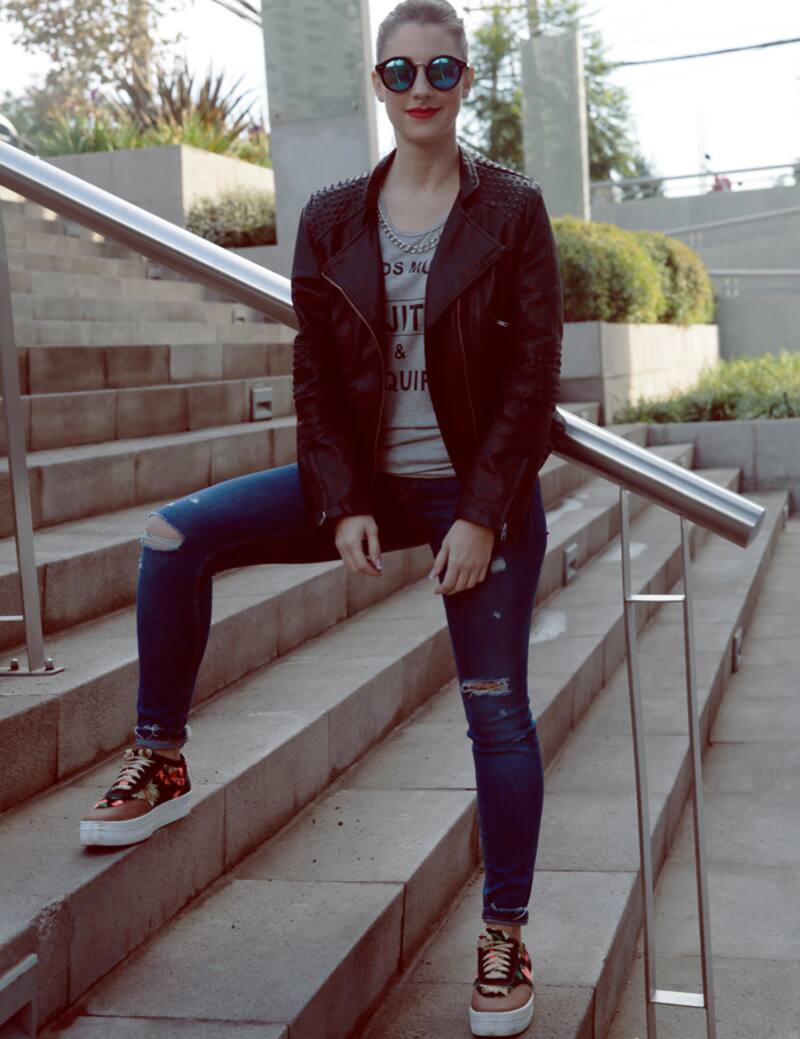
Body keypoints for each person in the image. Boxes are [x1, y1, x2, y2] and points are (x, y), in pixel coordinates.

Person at [79, 1, 564, 1034]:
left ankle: (504, 934)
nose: (421, 89)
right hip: (370, 486)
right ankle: (162, 752)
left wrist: (481, 514)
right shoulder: (334, 216)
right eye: (401, 71)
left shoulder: (511, 209)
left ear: (465, 80)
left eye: (441, 70)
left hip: (478, 500)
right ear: (378, 84)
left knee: (496, 712)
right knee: (173, 535)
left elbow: (532, 377)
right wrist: (342, 501)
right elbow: (315, 375)